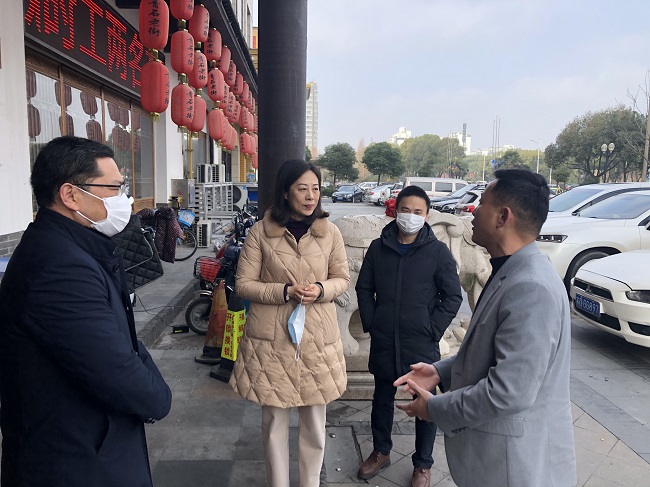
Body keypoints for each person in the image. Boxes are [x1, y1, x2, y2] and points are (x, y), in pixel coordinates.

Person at [0, 136, 172, 487]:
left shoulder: (70, 248)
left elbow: (122, 345)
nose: (124, 200)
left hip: (89, 450)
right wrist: (158, 397)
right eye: (114, 188)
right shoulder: (59, 268)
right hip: (75, 462)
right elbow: (115, 369)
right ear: (71, 194)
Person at [394, 169, 577, 487]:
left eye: (482, 203)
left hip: (515, 465)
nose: (474, 211)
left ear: (503, 217)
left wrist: (434, 408)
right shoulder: (512, 269)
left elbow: (508, 392)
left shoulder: (531, 287)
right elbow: (493, 350)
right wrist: (440, 371)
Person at [230, 159, 350, 487]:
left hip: (316, 339)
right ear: (285, 192)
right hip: (271, 342)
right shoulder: (261, 232)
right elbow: (243, 284)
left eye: (316, 189)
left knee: (314, 424)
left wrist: (321, 289)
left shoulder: (330, 232)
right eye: (302, 189)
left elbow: (342, 278)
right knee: (273, 424)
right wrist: (284, 291)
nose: (310, 196)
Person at [355, 185, 463, 487]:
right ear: (395, 211)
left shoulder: (437, 252)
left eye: (418, 212)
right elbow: (364, 288)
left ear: (426, 216)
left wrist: (432, 329)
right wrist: (372, 322)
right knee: (382, 397)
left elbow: (452, 296)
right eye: (405, 210)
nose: (411, 216)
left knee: (426, 402)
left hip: (421, 342)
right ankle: (381, 451)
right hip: (384, 340)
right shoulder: (378, 248)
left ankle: (423, 464)